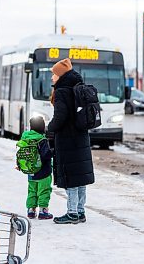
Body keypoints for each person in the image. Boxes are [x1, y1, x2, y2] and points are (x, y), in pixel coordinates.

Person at [48, 58, 95, 224]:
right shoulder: (78, 87)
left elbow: (60, 117)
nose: (52, 78)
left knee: (71, 178)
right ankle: (80, 211)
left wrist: (49, 128)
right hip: (81, 137)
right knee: (80, 177)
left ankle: (72, 212)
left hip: (68, 140)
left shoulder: (62, 91)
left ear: (60, 75)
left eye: (54, 74)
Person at [17, 116, 54, 220]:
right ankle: (43, 211)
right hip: (44, 172)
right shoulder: (41, 140)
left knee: (32, 191)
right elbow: (46, 155)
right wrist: (53, 151)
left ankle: (31, 210)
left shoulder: (26, 138)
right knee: (44, 191)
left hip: (31, 171)